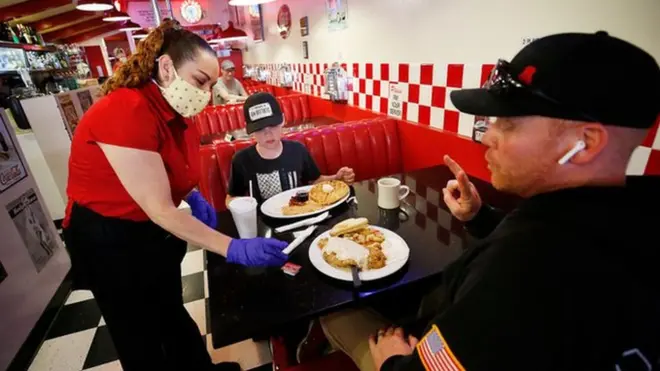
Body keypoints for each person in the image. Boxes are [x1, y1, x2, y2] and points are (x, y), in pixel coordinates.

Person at [320, 31, 660, 371]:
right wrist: (480, 216)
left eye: (508, 124)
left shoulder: (524, 268)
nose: (488, 137)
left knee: (335, 318)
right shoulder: (629, 219)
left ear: (585, 143)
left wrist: (391, 360)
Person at [63, 19, 289, 371]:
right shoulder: (126, 109)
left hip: (148, 229)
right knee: (138, 333)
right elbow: (161, 209)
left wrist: (194, 193)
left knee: (170, 309)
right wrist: (232, 247)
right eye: (201, 81)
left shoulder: (179, 113)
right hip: (107, 238)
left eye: (211, 84)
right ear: (167, 67)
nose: (205, 92)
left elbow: (175, 167)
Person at [226, 92, 355, 205]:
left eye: (272, 125)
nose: (268, 133)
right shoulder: (241, 160)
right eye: (259, 129)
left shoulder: (297, 150)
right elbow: (231, 197)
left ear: (282, 119)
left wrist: (337, 178)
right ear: (249, 129)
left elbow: (316, 180)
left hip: (299, 212)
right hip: (263, 223)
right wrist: (241, 205)